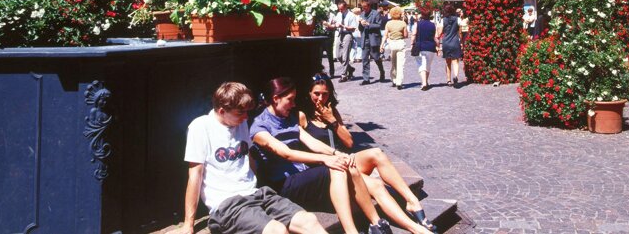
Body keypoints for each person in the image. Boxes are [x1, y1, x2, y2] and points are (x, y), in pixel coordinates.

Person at [178, 82, 326, 234]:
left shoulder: (241, 123)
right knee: (277, 230)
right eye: (240, 113)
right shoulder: (200, 127)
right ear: (222, 111)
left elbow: (249, 159)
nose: (246, 117)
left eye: (246, 112)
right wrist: (188, 224)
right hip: (227, 205)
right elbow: (195, 175)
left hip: (257, 194)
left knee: (308, 220)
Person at [250, 78, 393, 234]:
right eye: (290, 100)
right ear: (276, 98)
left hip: (302, 178)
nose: (294, 104)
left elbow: (311, 142)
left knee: (347, 166)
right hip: (282, 185)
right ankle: (351, 231)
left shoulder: (288, 118)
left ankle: (376, 224)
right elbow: (286, 153)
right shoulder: (259, 126)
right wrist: (326, 159)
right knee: (336, 168)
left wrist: (337, 153)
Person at [300, 73, 438, 234]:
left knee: (377, 153)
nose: (320, 98)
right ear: (309, 93)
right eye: (316, 94)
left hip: (345, 162)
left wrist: (331, 120)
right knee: (376, 185)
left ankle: (412, 201)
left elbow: (349, 142)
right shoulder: (303, 116)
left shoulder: (332, 112)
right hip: (327, 171)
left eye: (325, 94)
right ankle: (417, 229)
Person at [380, 6, 408, 90]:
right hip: (400, 43)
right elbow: (406, 35)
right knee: (400, 64)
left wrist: (381, 45)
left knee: (393, 64)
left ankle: (394, 79)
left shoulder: (388, 23)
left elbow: (385, 35)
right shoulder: (403, 23)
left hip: (392, 44)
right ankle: (399, 82)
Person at [359, 1, 385, 85]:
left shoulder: (376, 13)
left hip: (373, 39)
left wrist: (368, 24)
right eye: (363, 8)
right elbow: (360, 28)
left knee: (376, 58)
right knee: (364, 59)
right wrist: (360, 24)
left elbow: (379, 25)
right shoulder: (362, 14)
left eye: (365, 8)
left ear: (369, 6)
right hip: (365, 39)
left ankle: (382, 72)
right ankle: (366, 79)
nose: (364, 10)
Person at [410, 9, 437, 91]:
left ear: (422, 15)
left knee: (421, 65)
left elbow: (414, 34)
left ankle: (424, 83)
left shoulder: (417, 24)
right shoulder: (433, 25)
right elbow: (435, 37)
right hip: (430, 47)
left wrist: (412, 44)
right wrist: (438, 46)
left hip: (420, 46)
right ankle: (426, 82)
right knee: (427, 65)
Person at [436, 3, 462, 86]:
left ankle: (448, 80)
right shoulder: (458, 19)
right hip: (455, 41)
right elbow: (460, 32)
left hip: (446, 42)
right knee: (456, 61)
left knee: (448, 62)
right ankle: (456, 76)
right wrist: (461, 41)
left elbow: (439, 33)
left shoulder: (443, 20)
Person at [334, 2, 358, 82]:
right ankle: (350, 69)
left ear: (346, 7)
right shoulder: (339, 14)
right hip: (340, 34)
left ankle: (344, 75)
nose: (340, 11)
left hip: (347, 34)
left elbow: (353, 28)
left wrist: (343, 26)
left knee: (345, 56)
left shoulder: (351, 15)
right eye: (339, 9)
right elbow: (336, 22)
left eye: (342, 9)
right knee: (338, 55)